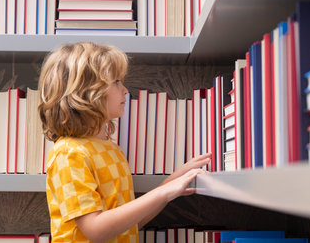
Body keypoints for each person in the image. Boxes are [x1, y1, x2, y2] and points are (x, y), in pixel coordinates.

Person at [39, 42, 211, 243]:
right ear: (86, 92)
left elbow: (129, 222)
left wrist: (171, 182)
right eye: (116, 82)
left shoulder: (111, 149)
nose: (125, 90)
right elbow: (96, 229)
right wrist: (163, 192)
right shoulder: (69, 153)